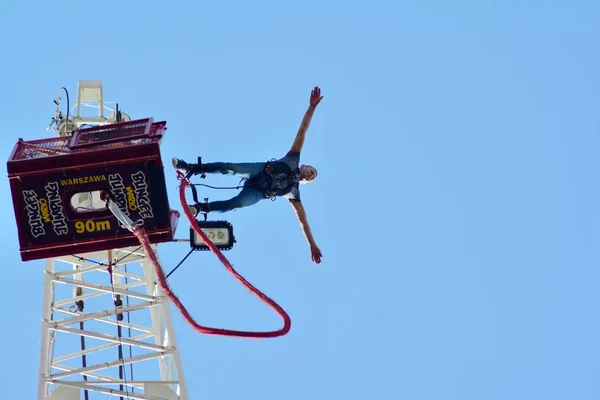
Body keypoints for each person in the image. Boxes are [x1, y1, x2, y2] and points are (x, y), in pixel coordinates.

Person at [172, 86, 324, 264]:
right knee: (230, 168)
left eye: (312, 178)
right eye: (312, 172)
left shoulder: (294, 194)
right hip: (261, 170)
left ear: (305, 183)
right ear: (305, 166)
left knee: (237, 203)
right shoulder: (293, 158)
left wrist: (312, 245)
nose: (310, 175)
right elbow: (302, 130)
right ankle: (190, 168)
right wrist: (312, 107)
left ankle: (200, 208)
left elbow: (303, 223)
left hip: (259, 192)